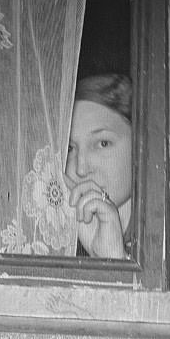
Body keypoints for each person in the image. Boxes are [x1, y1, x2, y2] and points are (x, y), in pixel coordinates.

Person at [64, 74, 133, 259]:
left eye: (102, 143)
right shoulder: (51, 232)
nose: (81, 169)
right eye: (70, 148)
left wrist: (114, 257)